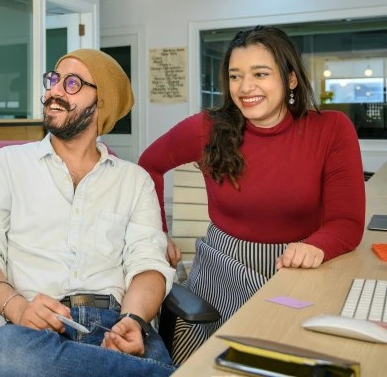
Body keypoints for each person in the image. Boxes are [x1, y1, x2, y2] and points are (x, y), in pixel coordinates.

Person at [138, 26, 365, 363]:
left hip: (296, 266)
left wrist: (318, 246)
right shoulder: (207, 127)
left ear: (290, 79)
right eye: (235, 76)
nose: (245, 88)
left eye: (260, 73)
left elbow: (346, 221)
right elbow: (148, 165)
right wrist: (158, 233)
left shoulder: (331, 129)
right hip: (221, 268)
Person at [0, 49, 177, 377]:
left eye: (72, 83)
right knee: (0, 352)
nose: (54, 91)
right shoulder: (3, 166)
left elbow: (147, 264)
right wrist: (16, 308)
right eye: (53, 80)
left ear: (101, 103)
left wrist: (132, 322)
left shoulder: (134, 181)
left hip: (114, 326)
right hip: (33, 331)